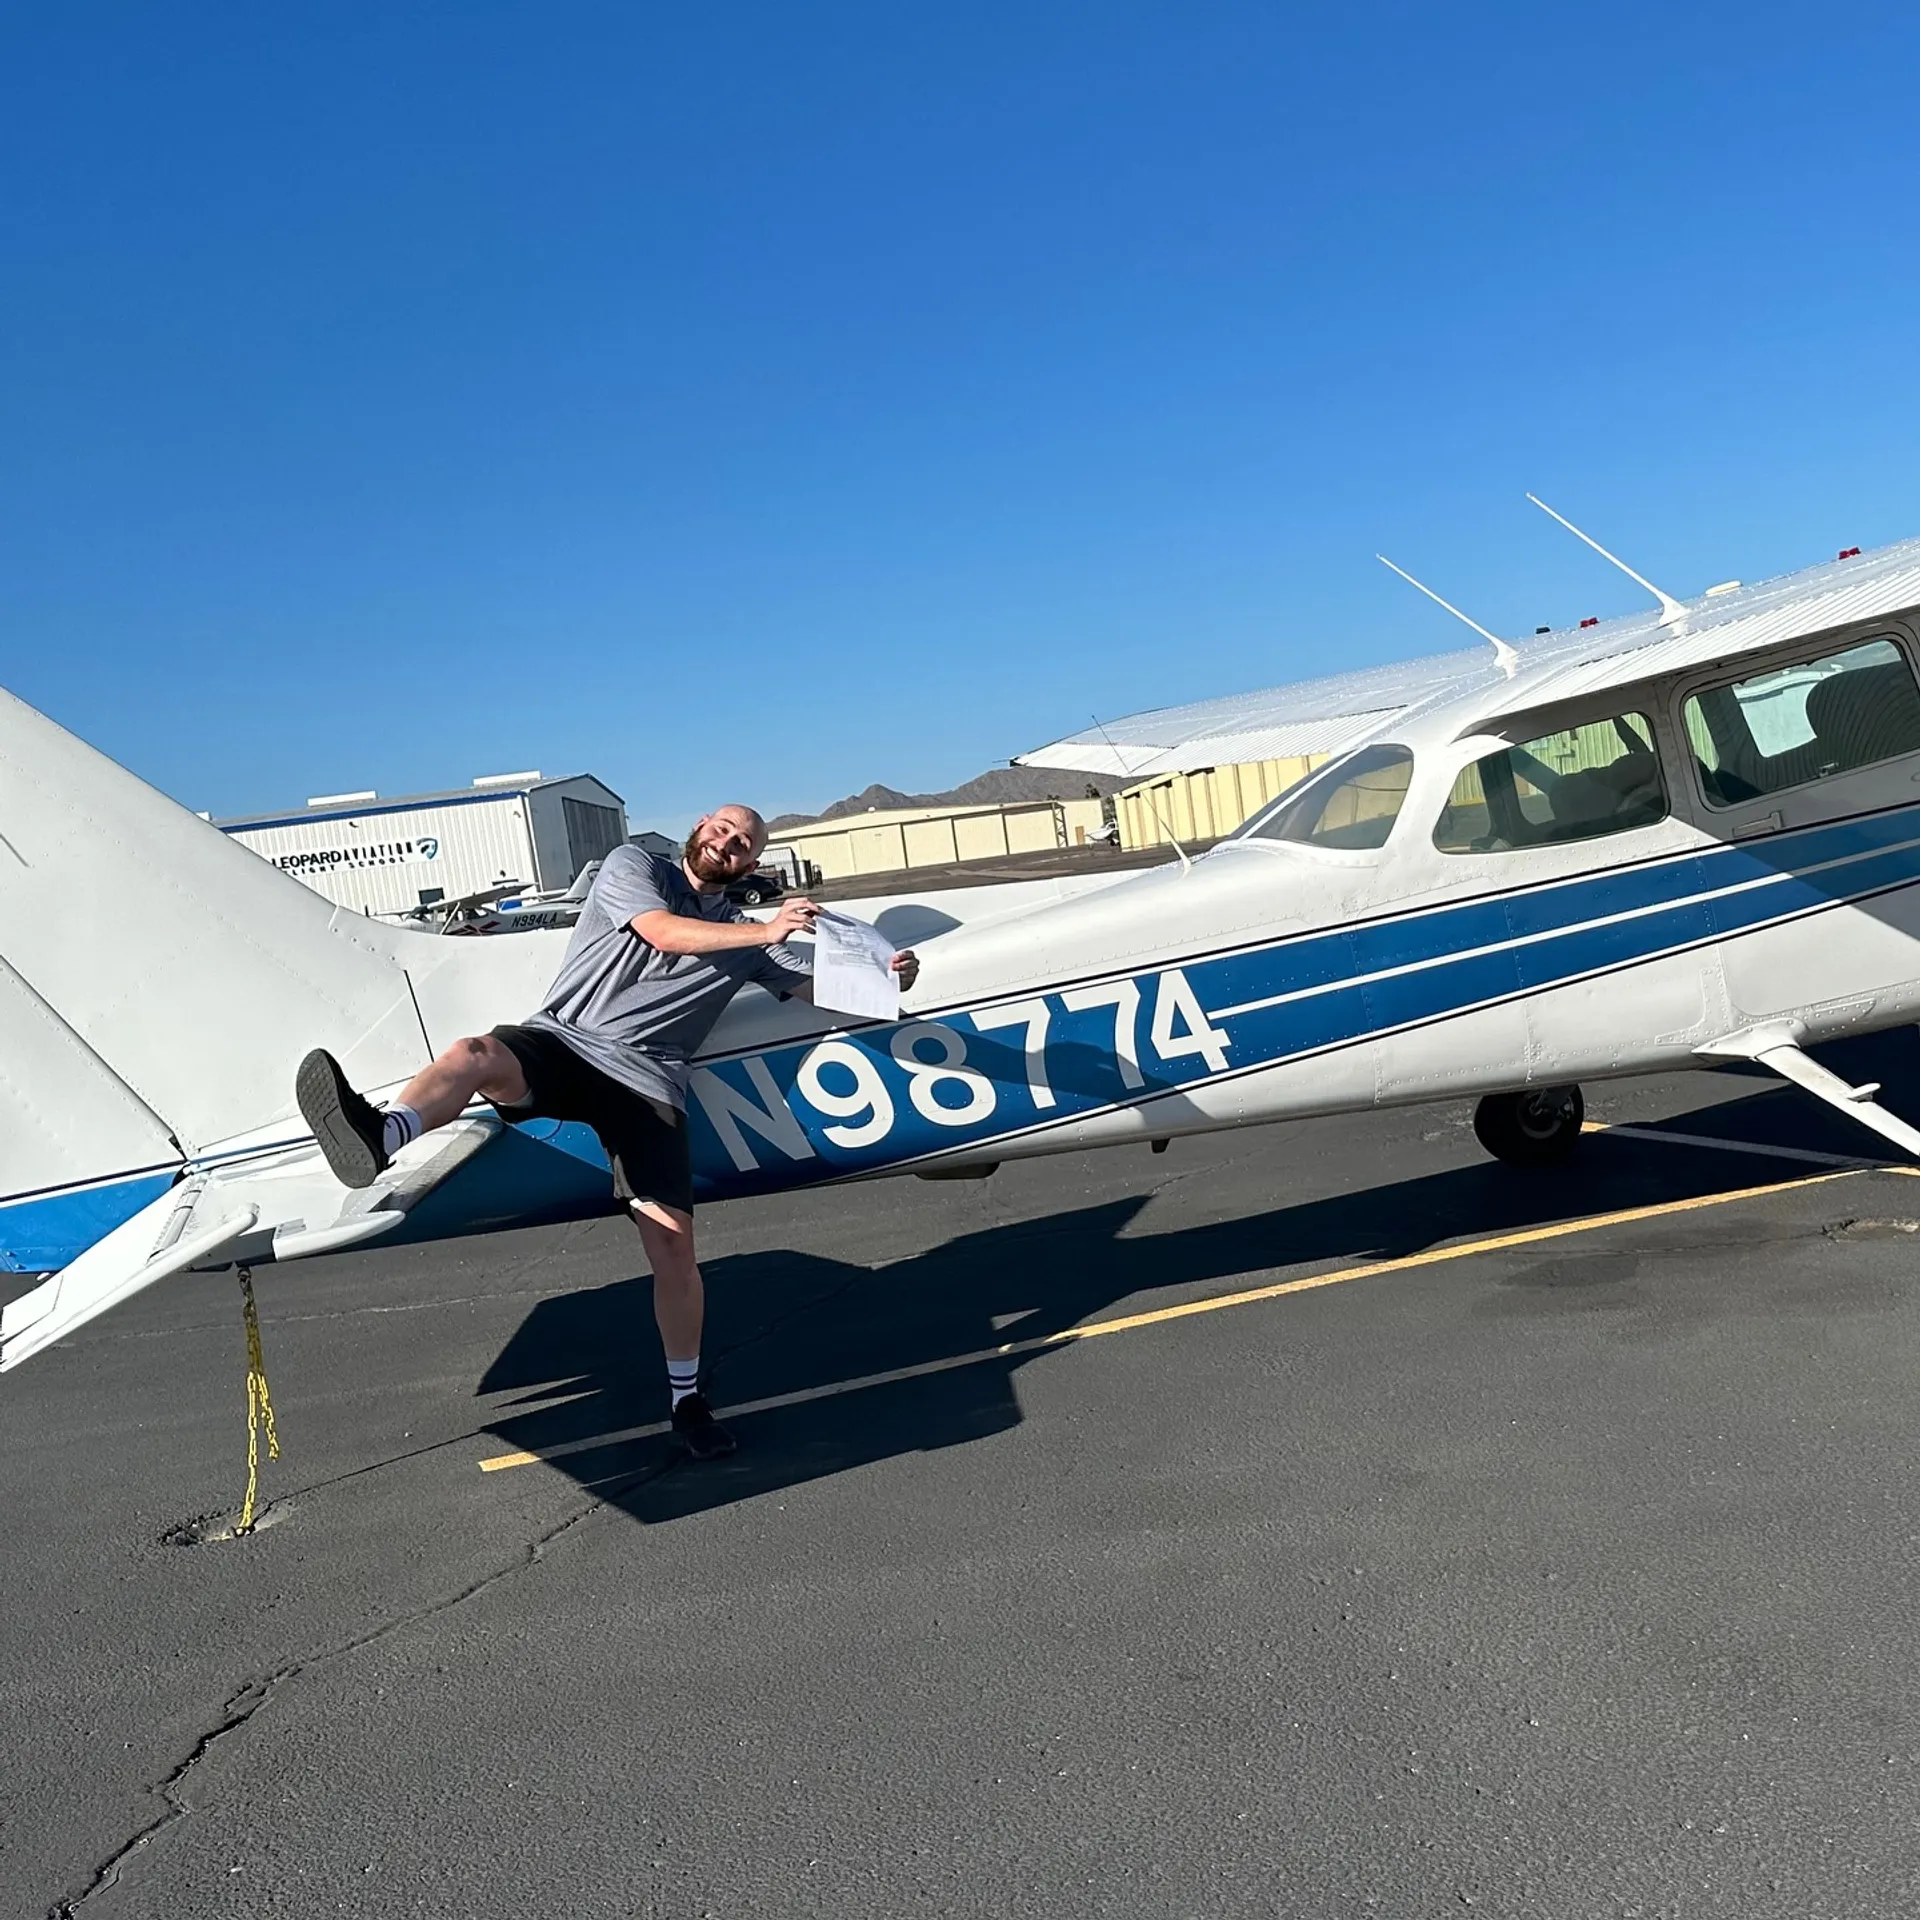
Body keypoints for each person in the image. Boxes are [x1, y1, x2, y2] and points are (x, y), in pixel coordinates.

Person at [295, 804, 919, 1460]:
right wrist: (765, 933)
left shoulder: (743, 934)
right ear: (700, 828)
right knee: (475, 1053)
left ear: (751, 864)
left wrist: (889, 976)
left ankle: (687, 1401)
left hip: (647, 1084)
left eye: (743, 844)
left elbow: (819, 988)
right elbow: (661, 932)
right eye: (723, 829)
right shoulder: (636, 867)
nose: (728, 843)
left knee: (675, 1249)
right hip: (565, 1043)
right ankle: (383, 1136)